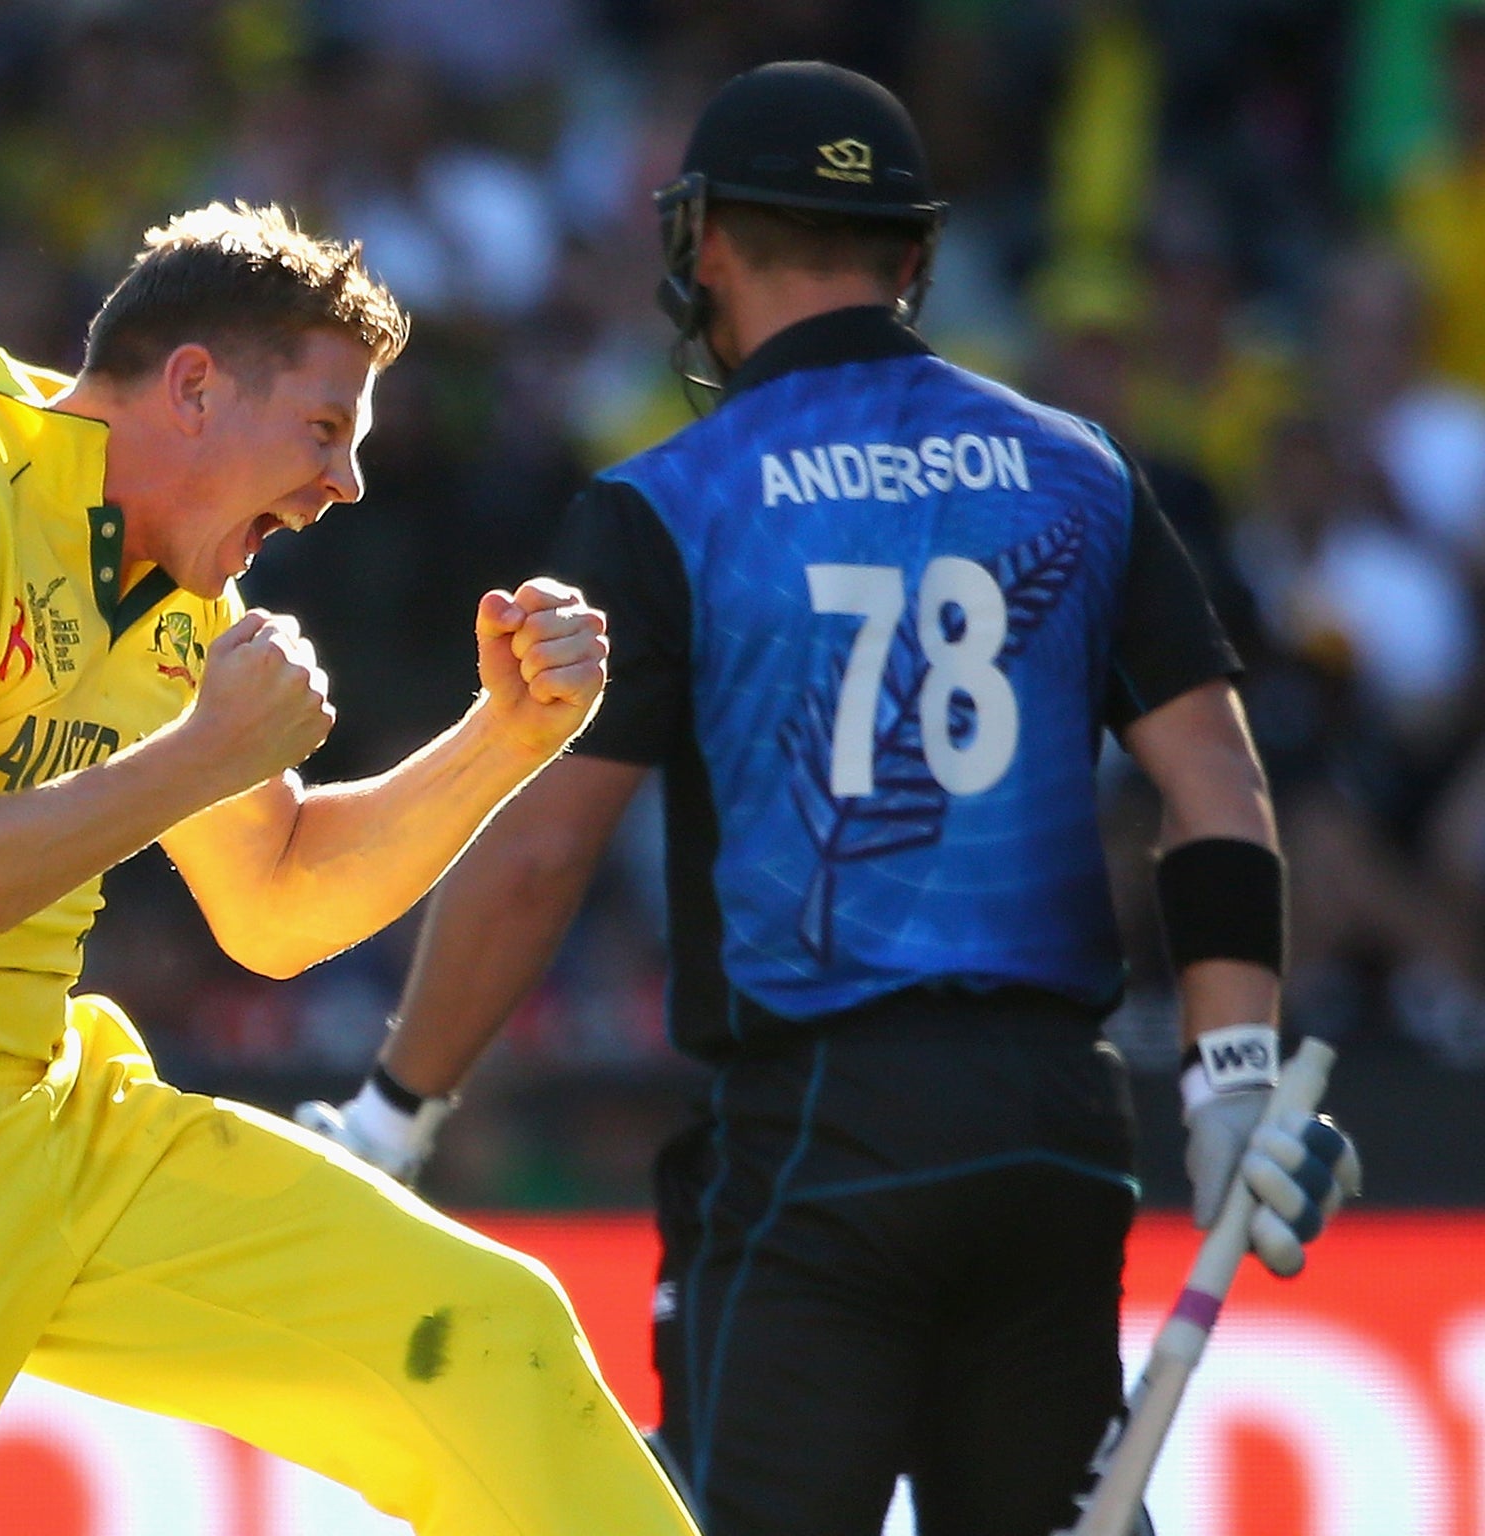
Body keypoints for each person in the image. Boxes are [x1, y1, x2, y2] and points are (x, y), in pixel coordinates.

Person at [297, 64, 1360, 1536]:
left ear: (706, 245)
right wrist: (1234, 1070)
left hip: (822, 1134)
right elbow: (1216, 779)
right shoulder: (1081, 471)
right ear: (915, 258)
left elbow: (540, 849)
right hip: (1058, 1130)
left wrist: (396, 1110)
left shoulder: (667, 501)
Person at [0, 201, 702, 1536]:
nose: (349, 485)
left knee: (486, 1338)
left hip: (48, 1117)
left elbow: (277, 902)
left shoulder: (181, 601)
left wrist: (510, 738)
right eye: (326, 430)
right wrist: (195, 758)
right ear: (194, 385)